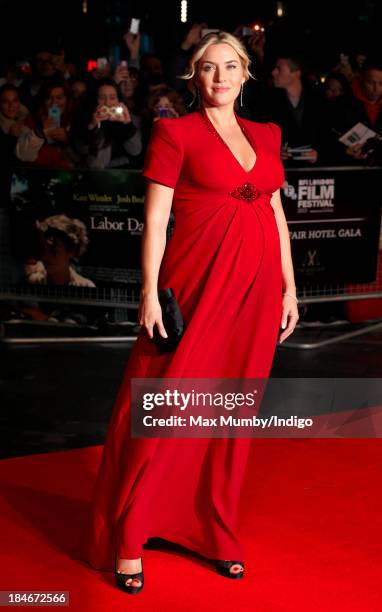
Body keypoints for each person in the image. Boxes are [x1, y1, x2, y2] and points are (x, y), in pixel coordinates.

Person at [79, 30, 299, 593]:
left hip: (255, 296)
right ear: (193, 76)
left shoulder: (267, 134)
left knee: (230, 415)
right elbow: (155, 221)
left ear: (246, 73)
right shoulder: (175, 132)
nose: (220, 77)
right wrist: (149, 292)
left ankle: (212, 528)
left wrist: (288, 289)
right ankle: (130, 532)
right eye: (208, 67)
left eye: (230, 67)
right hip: (196, 288)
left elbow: (276, 215)